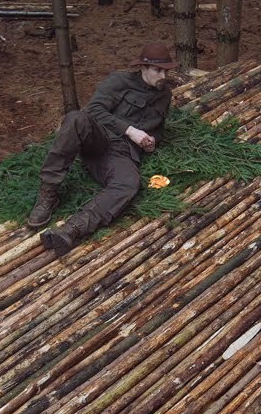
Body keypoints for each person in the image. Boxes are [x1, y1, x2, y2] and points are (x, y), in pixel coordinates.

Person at [27, 41, 177, 256]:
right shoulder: (120, 82)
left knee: (129, 183)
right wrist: (129, 130)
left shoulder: (165, 95)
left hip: (123, 154)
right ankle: (48, 193)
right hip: (99, 139)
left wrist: (151, 142)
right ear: (143, 68)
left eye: (166, 70)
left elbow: (157, 128)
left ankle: (73, 228)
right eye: (158, 70)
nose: (163, 75)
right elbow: (94, 109)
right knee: (76, 118)